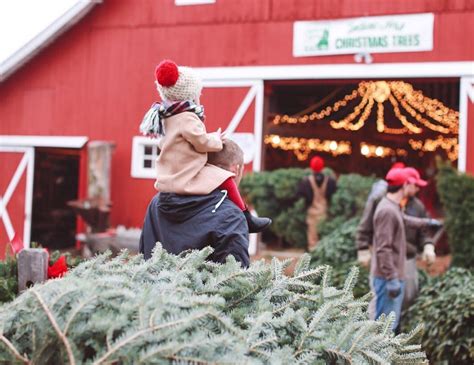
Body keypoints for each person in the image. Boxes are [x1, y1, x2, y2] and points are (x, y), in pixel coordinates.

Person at [139, 59, 270, 233]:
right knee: (225, 177)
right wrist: (216, 140)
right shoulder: (187, 117)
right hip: (186, 175)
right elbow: (200, 143)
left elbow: (187, 138)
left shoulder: (168, 116)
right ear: (191, 94)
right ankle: (245, 215)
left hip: (170, 175)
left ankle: (244, 215)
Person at [139, 140, 250, 267]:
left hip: (152, 286)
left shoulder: (157, 202)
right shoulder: (231, 217)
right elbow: (236, 279)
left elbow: (143, 254)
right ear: (235, 170)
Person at [356, 166, 439, 313]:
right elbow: (383, 248)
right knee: (382, 319)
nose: (418, 189)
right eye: (415, 185)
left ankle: (395, 332)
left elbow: (404, 219)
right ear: (406, 185)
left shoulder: (397, 206)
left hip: (401, 262)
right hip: (387, 269)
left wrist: (427, 225)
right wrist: (391, 277)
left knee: (395, 311)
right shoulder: (386, 209)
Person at [296, 156, 337, 250]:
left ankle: (314, 260)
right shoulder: (330, 181)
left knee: (312, 242)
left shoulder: (306, 182)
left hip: (312, 214)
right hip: (325, 213)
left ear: (311, 167)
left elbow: (299, 195)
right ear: (322, 167)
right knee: (324, 240)